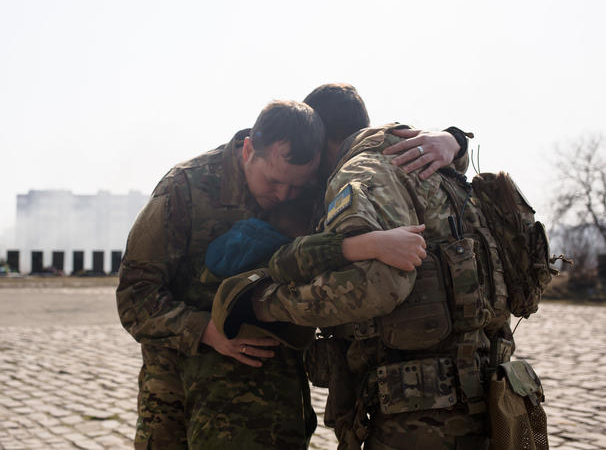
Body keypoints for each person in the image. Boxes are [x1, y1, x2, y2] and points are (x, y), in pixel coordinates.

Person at [118, 88, 469, 448]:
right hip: (179, 396)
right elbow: (135, 297)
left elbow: (374, 150)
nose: (285, 194)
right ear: (250, 149)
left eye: (295, 185)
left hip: (273, 404)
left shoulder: (311, 176)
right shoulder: (185, 188)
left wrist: (454, 142)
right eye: (274, 181)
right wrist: (207, 330)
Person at [213, 121, 515, 449]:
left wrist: (265, 303)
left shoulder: (359, 173)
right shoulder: (429, 158)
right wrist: (455, 140)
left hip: (421, 412)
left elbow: (377, 286)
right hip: (492, 393)